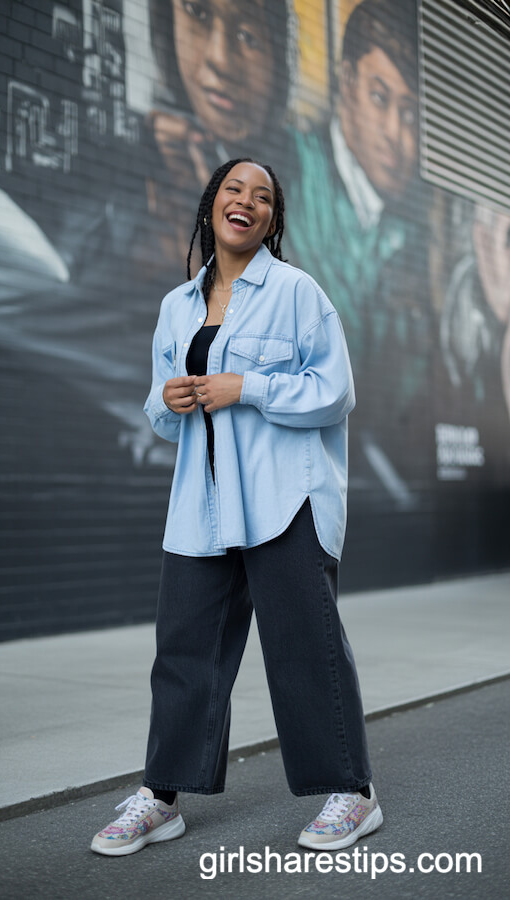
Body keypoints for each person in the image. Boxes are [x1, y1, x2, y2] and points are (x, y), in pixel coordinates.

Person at [90, 158, 383, 856]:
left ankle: (353, 791)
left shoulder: (296, 293)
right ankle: (161, 797)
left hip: (286, 498)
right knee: (184, 654)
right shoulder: (176, 307)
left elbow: (334, 393)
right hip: (203, 503)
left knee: (304, 650)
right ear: (211, 205)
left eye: (262, 197)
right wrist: (166, 400)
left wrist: (246, 387)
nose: (245, 202)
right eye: (233, 190)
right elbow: (164, 416)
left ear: (273, 221)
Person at [285, 0, 433, 512]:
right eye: (379, 97)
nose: (397, 133)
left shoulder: (412, 235)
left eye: (411, 112)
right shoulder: (287, 173)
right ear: (345, 83)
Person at [139, 0, 296, 273]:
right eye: (197, 13)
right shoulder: (149, 151)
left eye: (248, 36)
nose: (220, 59)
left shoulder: (302, 176)